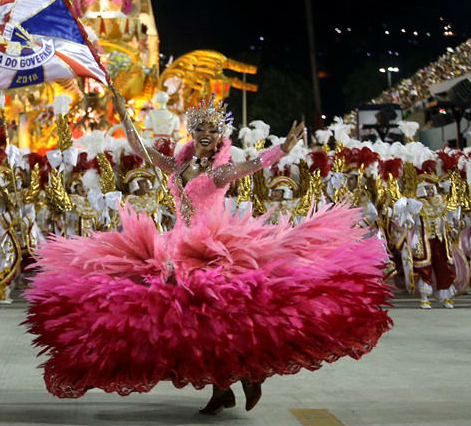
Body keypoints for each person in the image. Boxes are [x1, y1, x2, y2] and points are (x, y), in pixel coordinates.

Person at [25, 92, 392, 414]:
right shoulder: (178, 165)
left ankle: (246, 375)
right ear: (193, 132)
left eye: (212, 130)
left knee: (222, 320)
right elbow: (140, 148)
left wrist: (283, 150)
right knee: (192, 325)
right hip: (175, 247)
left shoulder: (220, 172)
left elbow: (251, 166)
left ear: (220, 137)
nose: (205, 134)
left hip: (213, 249)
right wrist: (122, 112)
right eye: (200, 128)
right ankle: (223, 388)